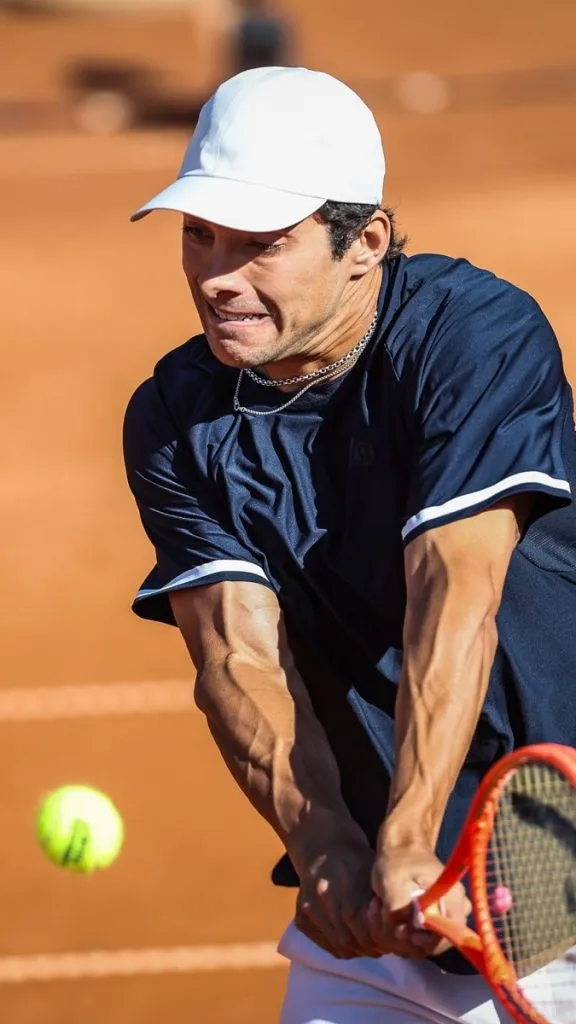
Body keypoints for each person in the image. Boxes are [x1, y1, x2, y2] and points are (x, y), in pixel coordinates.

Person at [123, 66, 576, 1022]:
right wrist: (325, 838)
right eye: (198, 235)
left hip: (552, 882)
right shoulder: (175, 417)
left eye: (261, 245)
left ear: (364, 242)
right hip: (377, 923)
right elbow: (236, 655)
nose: (217, 276)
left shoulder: (471, 337)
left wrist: (413, 835)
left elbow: (455, 590)